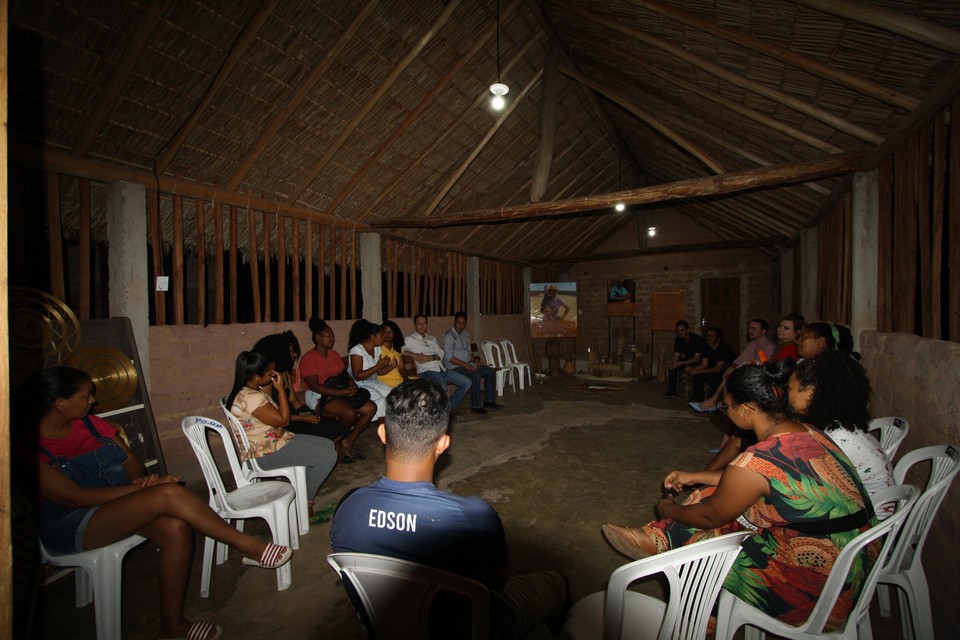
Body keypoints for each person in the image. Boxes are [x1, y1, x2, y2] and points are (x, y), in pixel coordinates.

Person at [601, 360, 875, 630]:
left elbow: (710, 515)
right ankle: (657, 539)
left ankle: (696, 621)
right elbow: (754, 480)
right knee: (713, 497)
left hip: (817, 590)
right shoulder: (810, 433)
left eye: (725, 406)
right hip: (854, 566)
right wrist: (694, 476)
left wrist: (667, 508)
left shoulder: (758, 458)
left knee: (702, 554)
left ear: (745, 410)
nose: (723, 412)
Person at [23, 367, 292, 640]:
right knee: (168, 494)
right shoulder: (29, 448)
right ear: (59, 403)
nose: (92, 401)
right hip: (72, 523)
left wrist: (142, 482)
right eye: (85, 396)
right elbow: (73, 497)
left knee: (175, 527)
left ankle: (171, 624)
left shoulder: (93, 426)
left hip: (120, 503)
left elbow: (130, 462)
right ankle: (245, 544)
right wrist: (140, 492)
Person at [330, 380, 569, 638]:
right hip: (464, 628)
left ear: (383, 433)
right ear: (443, 443)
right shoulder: (474, 516)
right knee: (559, 584)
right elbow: (498, 582)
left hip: (385, 627)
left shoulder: (348, 506)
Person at [227, 351, 339, 517]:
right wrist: (280, 390)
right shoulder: (252, 397)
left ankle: (303, 487)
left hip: (271, 440)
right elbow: (284, 420)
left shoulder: (247, 391)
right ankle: (305, 502)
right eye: (269, 374)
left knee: (328, 444)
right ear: (257, 377)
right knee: (328, 456)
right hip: (263, 454)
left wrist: (276, 426)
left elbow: (265, 420)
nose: (273, 376)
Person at [790, 350, 893, 514]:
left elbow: (811, 492)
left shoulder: (835, 438)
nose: (788, 395)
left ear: (810, 393)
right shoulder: (840, 423)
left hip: (867, 526)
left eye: (790, 388)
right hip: (861, 510)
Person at [299, 317, 377, 463]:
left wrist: (352, 386)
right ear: (317, 337)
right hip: (319, 395)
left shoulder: (334, 355)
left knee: (370, 408)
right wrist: (342, 393)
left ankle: (347, 441)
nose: (332, 338)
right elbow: (315, 386)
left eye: (333, 336)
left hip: (339, 391)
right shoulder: (308, 359)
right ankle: (336, 441)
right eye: (328, 335)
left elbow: (345, 374)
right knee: (350, 414)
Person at [692, 318, 777, 411]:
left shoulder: (769, 346)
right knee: (727, 372)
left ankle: (716, 402)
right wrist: (733, 366)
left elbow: (764, 365)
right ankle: (720, 404)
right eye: (749, 328)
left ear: (763, 331)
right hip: (749, 372)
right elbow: (741, 358)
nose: (750, 331)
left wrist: (738, 367)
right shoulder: (753, 344)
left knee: (726, 375)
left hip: (760, 376)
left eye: (754, 329)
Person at [402, 314, 472, 411]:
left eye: (424, 323)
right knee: (442, 386)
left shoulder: (432, 339)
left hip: (441, 369)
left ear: (427, 325)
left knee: (467, 382)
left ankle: (448, 409)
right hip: (427, 371)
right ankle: (444, 413)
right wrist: (414, 355)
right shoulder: (409, 340)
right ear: (415, 326)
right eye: (419, 323)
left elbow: (441, 353)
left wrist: (432, 357)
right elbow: (398, 349)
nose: (422, 326)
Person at [443, 311, 503, 415]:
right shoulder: (449, 336)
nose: (460, 325)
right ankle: (476, 406)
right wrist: (467, 365)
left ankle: (489, 400)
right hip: (454, 367)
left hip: (468, 364)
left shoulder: (465, 335)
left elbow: (468, 353)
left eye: (463, 323)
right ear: (454, 322)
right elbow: (449, 358)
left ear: (465, 324)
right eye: (458, 322)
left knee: (489, 371)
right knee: (475, 373)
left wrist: (476, 360)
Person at [347, 319, 395, 420]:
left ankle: (391, 425)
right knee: (381, 402)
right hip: (358, 386)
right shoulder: (357, 350)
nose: (384, 338)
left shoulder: (377, 349)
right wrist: (378, 366)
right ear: (373, 336)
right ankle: (381, 429)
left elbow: (379, 373)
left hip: (374, 382)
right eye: (381, 336)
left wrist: (390, 366)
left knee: (394, 395)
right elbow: (357, 376)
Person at [685, 326, 735, 404]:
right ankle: (698, 398)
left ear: (718, 338)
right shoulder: (707, 347)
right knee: (698, 375)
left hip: (724, 374)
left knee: (713, 378)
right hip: (711, 370)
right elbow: (704, 364)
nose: (709, 338)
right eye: (708, 336)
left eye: (712, 336)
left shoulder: (724, 349)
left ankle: (713, 403)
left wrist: (698, 371)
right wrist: (693, 369)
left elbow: (717, 370)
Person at [664, 320, 705, 397]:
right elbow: (677, 355)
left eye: (682, 330)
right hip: (689, 359)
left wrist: (680, 363)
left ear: (687, 330)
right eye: (678, 331)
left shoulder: (696, 340)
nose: (680, 333)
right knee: (672, 367)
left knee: (696, 372)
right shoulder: (679, 339)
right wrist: (673, 362)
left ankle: (697, 396)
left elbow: (697, 359)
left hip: (700, 361)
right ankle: (671, 391)